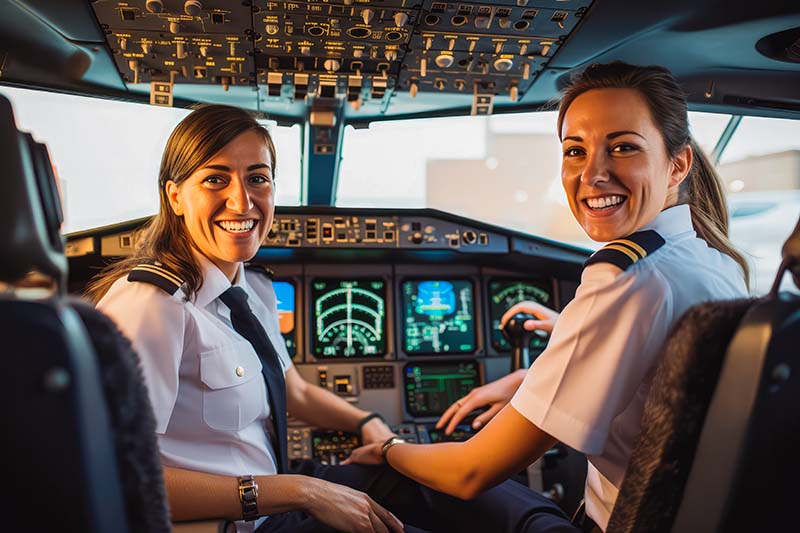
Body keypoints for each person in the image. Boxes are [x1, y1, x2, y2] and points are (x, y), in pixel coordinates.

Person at [88, 104, 576, 533]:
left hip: (281, 493)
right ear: (175, 196)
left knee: (423, 474)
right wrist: (302, 492)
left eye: (257, 177)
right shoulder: (151, 305)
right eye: (215, 178)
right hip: (245, 520)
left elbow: (293, 389)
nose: (242, 201)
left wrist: (370, 425)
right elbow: (122, 474)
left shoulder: (248, 287)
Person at [343, 62, 750, 532]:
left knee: (374, 480)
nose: (592, 174)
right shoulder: (712, 260)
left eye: (623, 148)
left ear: (677, 164)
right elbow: (661, 360)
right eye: (575, 151)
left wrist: (388, 448)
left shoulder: (625, 279)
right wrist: (538, 365)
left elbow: (470, 471)